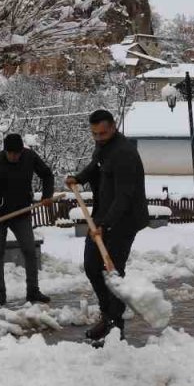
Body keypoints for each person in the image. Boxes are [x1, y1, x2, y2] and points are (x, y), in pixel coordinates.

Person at [65, 109, 149, 344]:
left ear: (113, 126)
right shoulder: (104, 147)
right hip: (104, 216)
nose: (98, 138)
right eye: (94, 134)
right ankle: (108, 315)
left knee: (113, 272)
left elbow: (124, 196)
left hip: (124, 220)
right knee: (92, 266)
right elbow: (96, 165)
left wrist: (105, 225)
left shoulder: (125, 154)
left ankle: (115, 326)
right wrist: (79, 178)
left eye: (102, 133)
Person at [0, 133, 55, 305]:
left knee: (29, 251)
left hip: (21, 212)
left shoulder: (29, 157)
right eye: (10, 153)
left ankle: (33, 291)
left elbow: (47, 175)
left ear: (21, 151)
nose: (13, 157)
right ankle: (0, 294)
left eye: (16, 153)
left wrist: (47, 196)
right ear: (5, 151)